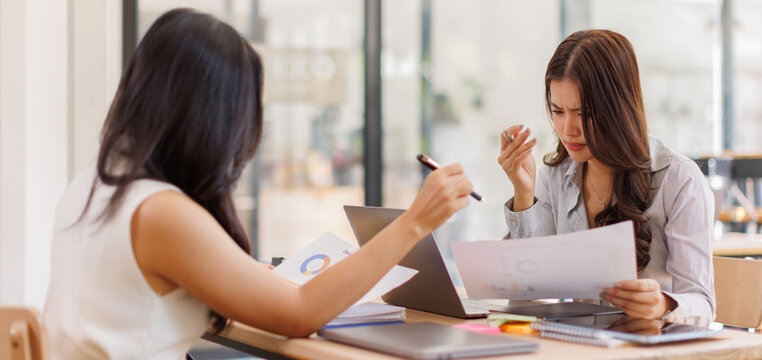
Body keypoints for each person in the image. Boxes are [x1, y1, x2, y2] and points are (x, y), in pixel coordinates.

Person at [43, 8, 473, 359]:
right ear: (213, 119)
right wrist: (414, 222)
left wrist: (253, 273)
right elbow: (298, 314)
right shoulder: (159, 212)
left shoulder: (93, 188)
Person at [497, 29, 715, 326]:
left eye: (583, 113)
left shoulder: (679, 180)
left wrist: (662, 304)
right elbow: (525, 299)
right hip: (582, 349)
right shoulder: (556, 176)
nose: (567, 129)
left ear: (619, 108)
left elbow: (702, 303)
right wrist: (524, 195)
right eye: (557, 111)